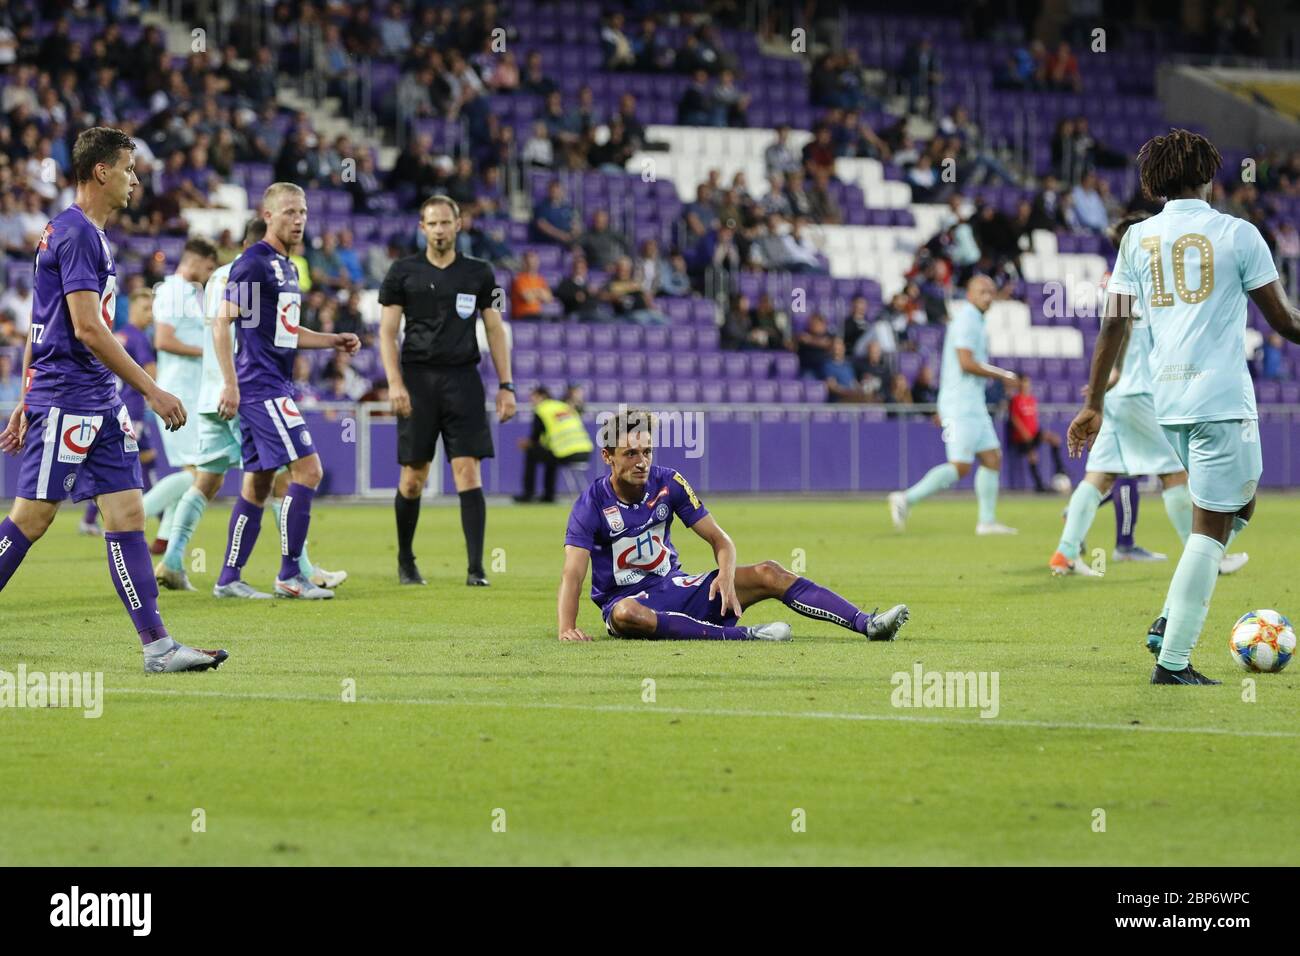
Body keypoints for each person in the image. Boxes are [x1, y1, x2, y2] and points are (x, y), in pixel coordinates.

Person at [1067, 129, 1300, 685]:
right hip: (1220, 399)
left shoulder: (1136, 239)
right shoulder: (1238, 234)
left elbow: (1113, 325)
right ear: (1209, 175)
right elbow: (1286, 322)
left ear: (1154, 182)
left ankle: (1170, 620)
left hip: (1167, 401)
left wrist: (1093, 403)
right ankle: (1172, 658)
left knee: (1236, 510)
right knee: (1212, 530)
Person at [0, 126, 225, 672]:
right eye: (128, 168)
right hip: (69, 398)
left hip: (96, 400)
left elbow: (39, 321)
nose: (135, 179)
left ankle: (158, 647)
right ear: (101, 171)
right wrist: (151, 389)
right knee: (32, 518)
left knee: (127, 515)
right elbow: (87, 329)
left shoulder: (86, 233)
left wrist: (23, 392)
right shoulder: (75, 234)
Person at [555, 409, 909, 643]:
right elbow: (573, 574)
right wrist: (567, 628)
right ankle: (748, 636)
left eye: (647, 452)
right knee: (626, 613)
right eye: (631, 454)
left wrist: (724, 576)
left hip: (678, 587)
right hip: (628, 603)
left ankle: (868, 624)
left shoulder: (670, 483)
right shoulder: (590, 505)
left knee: (769, 572)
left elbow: (720, 540)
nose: (642, 461)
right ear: (608, 457)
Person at [156, 217, 348, 594]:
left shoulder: (217, 278)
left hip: (209, 393)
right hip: (242, 391)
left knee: (207, 479)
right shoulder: (257, 273)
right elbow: (258, 332)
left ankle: (175, 560)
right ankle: (300, 570)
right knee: (280, 479)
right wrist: (234, 382)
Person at [211, 182, 361, 600]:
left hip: (274, 383)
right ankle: (291, 574)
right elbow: (222, 321)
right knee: (308, 471)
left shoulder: (290, 267)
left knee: (257, 484)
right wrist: (230, 383)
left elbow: (287, 332)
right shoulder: (253, 263)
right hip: (261, 386)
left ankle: (228, 578)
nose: (298, 220)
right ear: (268, 215)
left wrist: (332, 340)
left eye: (303, 213)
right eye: (290, 212)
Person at [379, 194, 516, 586]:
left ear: (459, 225)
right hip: (417, 380)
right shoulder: (402, 271)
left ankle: (476, 569)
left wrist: (506, 385)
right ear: (422, 228)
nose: (439, 229)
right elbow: (387, 333)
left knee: (467, 472)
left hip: (464, 380)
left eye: (445, 222)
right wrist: (394, 382)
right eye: (432, 223)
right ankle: (406, 561)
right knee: (412, 477)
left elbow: (494, 329)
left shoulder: (480, 272)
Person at [889, 275, 1019, 535]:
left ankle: (987, 522)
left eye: (991, 291)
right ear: (969, 294)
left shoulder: (977, 321)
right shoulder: (967, 320)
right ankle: (905, 499)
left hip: (973, 404)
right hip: (960, 405)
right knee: (960, 466)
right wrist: (1003, 375)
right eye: (982, 291)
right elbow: (966, 363)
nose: (988, 296)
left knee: (992, 458)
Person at [141, 236, 217, 555]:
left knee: (195, 470)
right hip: (177, 392)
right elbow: (163, 340)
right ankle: (133, 514)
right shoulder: (171, 292)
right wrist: (208, 351)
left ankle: (164, 539)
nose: (210, 273)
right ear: (194, 261)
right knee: (201, 473)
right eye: (209, 267)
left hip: (192, 393)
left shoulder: (189, 294)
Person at [80, 286, 160, 536]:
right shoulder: (139, 337)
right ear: (133, 308)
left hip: (116, 404)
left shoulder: (117, 336)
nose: (150, 314)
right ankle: (94, 518)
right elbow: (151, 373)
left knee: (148, 458)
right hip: (133, 409)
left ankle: (159, 511)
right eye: (145, 308)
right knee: (127, 464)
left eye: (152, 309)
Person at [515, 385, 593, 503]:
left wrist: (527, 444)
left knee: (531, 453)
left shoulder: (542, 409)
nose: (531, 401)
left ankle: (528, 494)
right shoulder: (564, 406)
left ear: (541, 396)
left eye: (533, 397)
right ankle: (549, 495)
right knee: (550, 456)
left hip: (566, 452)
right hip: (585, 451)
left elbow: (535, 436)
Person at [1007, 374, 1067, 492]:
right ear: (1020, 384)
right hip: (1021, 437)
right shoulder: (1015, 400)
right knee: (1033, 456)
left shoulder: (1031, 399)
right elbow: (1014, 419)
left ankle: (1060, 469)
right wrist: (1024, 433)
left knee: (1055, 439)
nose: (1026, 385)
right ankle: (1039, 484)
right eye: (1024, 382)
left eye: (1028, 382)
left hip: (1034, 434)